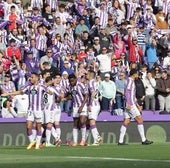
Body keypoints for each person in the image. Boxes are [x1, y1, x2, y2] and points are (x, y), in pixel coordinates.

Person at [1, 72, 47, 150]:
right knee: (28, 126)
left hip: (39, 110)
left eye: (32, 77)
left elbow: (48, 92)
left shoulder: (42, 87)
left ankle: (37, 145)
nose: (30, 79)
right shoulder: (28, 87)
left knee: (38, 128)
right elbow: (19, 92)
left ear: (36, 78)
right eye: (30, 77)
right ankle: (32, 142)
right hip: (30, 110)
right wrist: (8, 94)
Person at [118, 69, 153, 145]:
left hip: (131, 104)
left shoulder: (131, 81)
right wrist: (129, 103)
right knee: (139, 119)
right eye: (137, 74)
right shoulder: (130, 81)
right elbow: (127, 92)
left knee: (126, 121)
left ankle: (120, 141)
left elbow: (132, 95)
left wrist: (136, 103)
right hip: (130, 104)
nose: (138, 75)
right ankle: (143, 140)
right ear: (134, 74)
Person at [63, 73, 88, 146]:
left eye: (73, 81)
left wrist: (81, 106)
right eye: (70, 81)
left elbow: (86, 96)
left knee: (82, 121)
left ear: (76, 79)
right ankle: (75, 142)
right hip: (75, 106)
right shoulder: (70, 87)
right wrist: (65, 98)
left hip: (82, 105)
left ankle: (83, 140)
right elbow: (71, 96)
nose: (71, 82)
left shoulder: (81, 85)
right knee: (75, 124)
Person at [86, 70, 102, 145]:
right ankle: (97, 137)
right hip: (97, 104)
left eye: (87, 74)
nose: (86, 75)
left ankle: (97, 139)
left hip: (93, 105)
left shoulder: (91, 83)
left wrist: (90, 104)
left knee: (91, 121)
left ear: (90, 75)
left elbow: (92, 93)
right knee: (92, 122)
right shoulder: (96, 83)